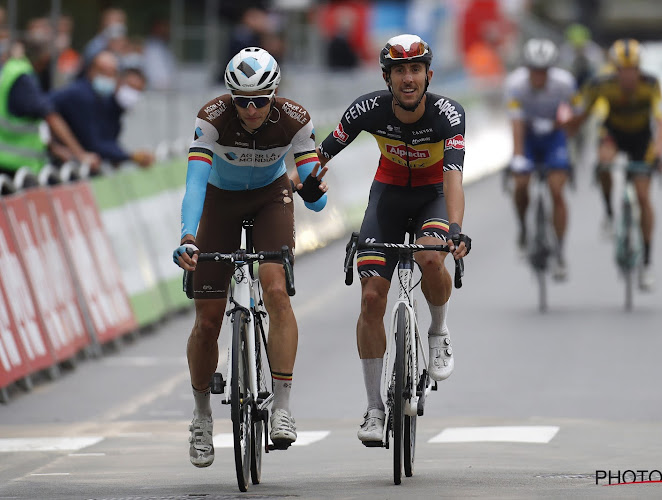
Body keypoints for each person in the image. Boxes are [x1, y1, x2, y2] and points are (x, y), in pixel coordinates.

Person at [172, 47, 328, 468]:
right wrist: (188, 236)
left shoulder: (295, 119)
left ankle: (282, 406)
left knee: (276, 289)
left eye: (261, 99)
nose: (253, 108)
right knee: (207, 320)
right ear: (231, 96)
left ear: (274, 94)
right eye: (243, 100)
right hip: (219, 202)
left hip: (269, 198)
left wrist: (313, 190)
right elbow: (195, 185)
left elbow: (315, 200)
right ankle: (202, 416)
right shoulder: (213, 117)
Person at [316, 34, 471, 444]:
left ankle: (437, 330)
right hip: (386, 196)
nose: (408, 78)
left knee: (432, 258)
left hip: (432, 195)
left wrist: (454, 230)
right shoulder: (368, 108)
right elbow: (324, 152)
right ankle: (373, 407)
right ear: (387, 77)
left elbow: (453, 175)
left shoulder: (448, 114)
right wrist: (300, 180)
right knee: (370, 298)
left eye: (415, 69)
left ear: (428, 75)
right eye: (400, 70)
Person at [570, 39, 662, 291]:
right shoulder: (600, 85)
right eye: (622, 69)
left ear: (639, 69)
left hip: (641, 139)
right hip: (613, 134)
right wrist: (564, 137)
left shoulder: (651, 85)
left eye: (632, 69)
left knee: (643, 196)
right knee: (603, 162)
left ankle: (646, 263)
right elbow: (581, 116)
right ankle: (609, 215)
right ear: (614, 69)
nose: (627, 75)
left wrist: (658, 153)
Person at [506, 39, 576, 281]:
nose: (538, 76)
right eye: (534, 70)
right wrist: (517, 157)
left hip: (554, 136)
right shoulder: (516, 84)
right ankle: (524, 228)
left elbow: (573, 114)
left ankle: (560, 250)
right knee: (522, 184)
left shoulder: (564, 83)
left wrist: (562, 126)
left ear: (551, 69)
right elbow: (515, 122)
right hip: (527, 136)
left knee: (557, 191)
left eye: (543, 71)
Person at [0, 37, 99, 178]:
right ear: (44, 58)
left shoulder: (10, 70)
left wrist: (55, 148)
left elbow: (27, 120)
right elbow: (50, 116)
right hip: (13, 165)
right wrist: (81, 154)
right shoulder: (22, 77)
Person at [50, 51, 152, 169]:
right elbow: (93, 143)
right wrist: (130, 156)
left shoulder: (102, 98)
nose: (109, 77)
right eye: (104, 72)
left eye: (113, 73)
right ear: (91, 70)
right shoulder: (81, 95)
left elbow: (106, 138)